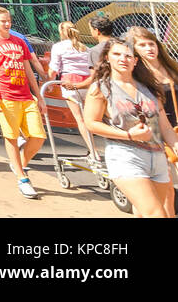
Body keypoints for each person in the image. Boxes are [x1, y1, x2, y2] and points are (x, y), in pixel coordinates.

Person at [83, 38, 178, 218]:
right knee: (156, 214)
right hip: (125, 155)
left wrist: (175, 145)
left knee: (162, 213)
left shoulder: (149, 88)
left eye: (128, 56)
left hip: (157, 156)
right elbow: (91, 123)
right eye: (116, 54)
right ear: (107, 58)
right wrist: (128, 135)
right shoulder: (101, 88)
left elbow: (164, 126)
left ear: (135, 61)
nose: (123, 59)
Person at [0, 6, 47, 199]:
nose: (7, 23)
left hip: (26, 96)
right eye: (3, 21)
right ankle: (22, 178)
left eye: (9, 20)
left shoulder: (19, 41)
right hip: (5, 96)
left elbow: (28, 70)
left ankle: (19, 163)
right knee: (11, 137)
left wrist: (39, 96)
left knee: (38, 137)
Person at [48, 21, 101, 168]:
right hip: (87, 84)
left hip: (70, 82)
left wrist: (49, 81)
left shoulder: (58, 47)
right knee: (91, 117)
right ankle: (95, 150)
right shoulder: (85, 47)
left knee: (80, 119)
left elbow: (53, 68)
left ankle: (94, 151)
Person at [126, 26, 178, 131]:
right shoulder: (134, 74)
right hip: (158, 127)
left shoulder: (172, 67)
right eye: (142, 45)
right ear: (134, 49)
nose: (149, 48)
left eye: (151, 44)